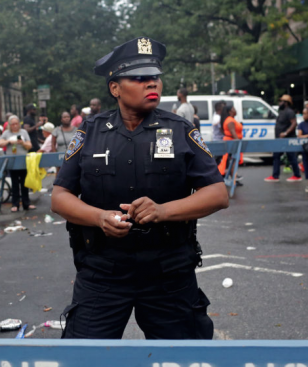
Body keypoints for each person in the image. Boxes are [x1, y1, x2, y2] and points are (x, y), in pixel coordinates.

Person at [51, 37, 228, 340]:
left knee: (183, 359)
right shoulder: (90, 132)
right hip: (102, 272)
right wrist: (98, 218)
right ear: (115, 88)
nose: (152, 85)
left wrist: (162, 211)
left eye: (155, 77)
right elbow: (59, 197)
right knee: (85, 358)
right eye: (140, 78)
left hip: (168, 272)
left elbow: (217, 193)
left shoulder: (179, 130)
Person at [0, 115, 36, 211]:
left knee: (25, 183)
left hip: (23, 161)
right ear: (10, 125)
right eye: (13, 124)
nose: (15, 126)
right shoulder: (6, 133)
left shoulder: (23, 132)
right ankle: (15, 204)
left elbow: (30, 145)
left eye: (16, 124)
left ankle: (26, 203)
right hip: (12, 161)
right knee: (15, 183)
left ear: (19, 124)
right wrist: (9, 141)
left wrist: (22, 143)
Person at [264, 95, 302, 182]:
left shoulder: (289, 112)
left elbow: (294, 123)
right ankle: (275, 175)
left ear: (286, 103)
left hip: (287, 139)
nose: (279, 103)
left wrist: (285, 133)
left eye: (281, 101)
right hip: (280, 140)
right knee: (276, 155)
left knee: (291, 157)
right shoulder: (282, 111)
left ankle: (297, 175)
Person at [218, 105, 243, 186]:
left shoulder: (231, 120)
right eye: (233, 109)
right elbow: (233, 133)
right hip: (232, 142)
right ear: (230, 111)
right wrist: (238, 143)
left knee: (231, 161)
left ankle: (233, 179)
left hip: (231, 141)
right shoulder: (230, 121)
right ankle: (233, 179)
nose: (235, 110)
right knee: (232, 161)